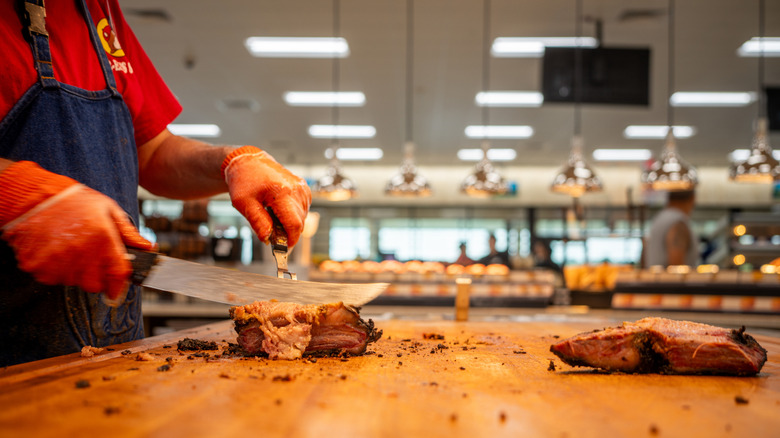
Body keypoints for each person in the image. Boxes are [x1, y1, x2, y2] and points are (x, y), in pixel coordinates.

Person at [0, 1, 310, 366]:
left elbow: (151, 151)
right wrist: (16, 195)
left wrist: (231, 162)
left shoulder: (97, 8)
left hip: (109, 344)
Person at [645, 190, 699, 267]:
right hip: (672, 279)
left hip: (656, 278)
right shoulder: (677, 222)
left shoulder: (658, 218)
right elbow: (676, 266)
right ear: (692, 199)